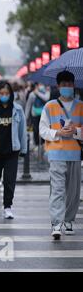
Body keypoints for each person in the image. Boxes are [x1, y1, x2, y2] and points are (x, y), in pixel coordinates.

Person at [39, 71, 83, 240]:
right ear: (58, 86)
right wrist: (58, 132)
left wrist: (76, 131)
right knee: (57, 190)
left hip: (75, 154)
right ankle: (56, 223)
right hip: (56, 153)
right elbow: (43, 130)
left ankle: (69, 220)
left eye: (69, 84)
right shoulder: (49, 106)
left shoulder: (81, 106)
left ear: (74, 85)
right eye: (63, 85)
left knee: (73, 191)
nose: (67, 87)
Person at [0, 82, 27, 220]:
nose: (4, 96)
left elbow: (22, 131)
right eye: (1, 94)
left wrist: (23, 149)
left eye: (6, 94)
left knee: (9, 181)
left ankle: (8, 206)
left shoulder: (17, 110)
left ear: (11, 94)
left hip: (12, 151)